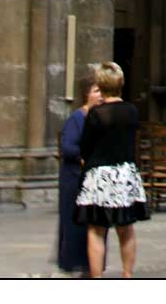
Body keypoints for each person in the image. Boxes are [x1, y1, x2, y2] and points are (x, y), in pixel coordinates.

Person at [74, 62, 149, 279]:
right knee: (126, 228)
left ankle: (97, 279)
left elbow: (86, 146)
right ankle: (127, 275)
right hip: (125, 173)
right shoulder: (132, 111)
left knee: (96, 230)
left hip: (101, 175)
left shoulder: (97, 114)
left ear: (101, 84)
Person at [56, 77, 102, 275]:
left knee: (94, 225)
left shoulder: (101, 117)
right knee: (74, 223)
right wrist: (84, 156)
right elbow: (68, 147)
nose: (100, 95)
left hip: (95, 178)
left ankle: (91, 263)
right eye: (96, 91)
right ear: (87, 94)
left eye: (102, 91)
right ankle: (74, 263)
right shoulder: (77, 118)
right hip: (75, 177)